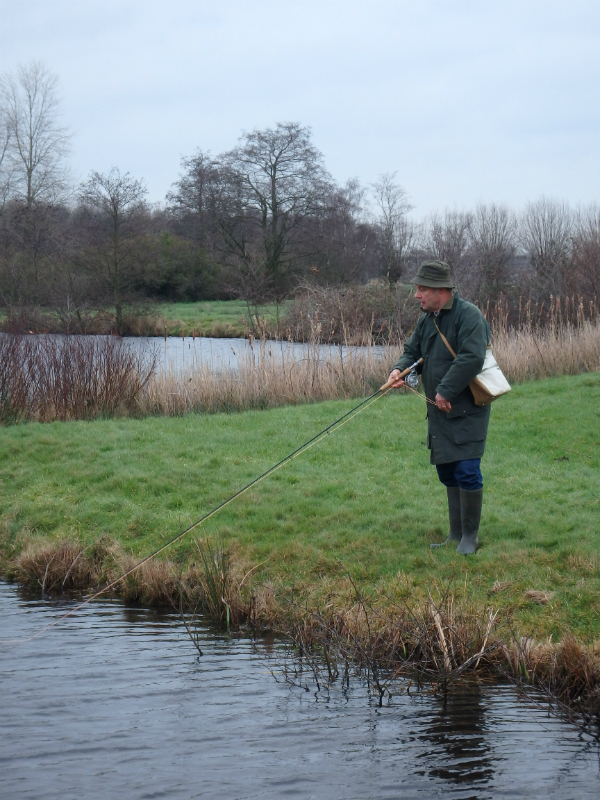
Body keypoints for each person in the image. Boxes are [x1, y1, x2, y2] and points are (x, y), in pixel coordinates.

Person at [388, 260, 491, 554]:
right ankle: (455, 535)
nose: (417, 295)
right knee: (446, 471)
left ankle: (470, 538)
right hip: (439, 411)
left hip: (468, 409)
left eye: (421, 289)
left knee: (467, 469)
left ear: (440, 290)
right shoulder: (427, 319)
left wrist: (446, 389)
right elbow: (412, 352)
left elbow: (472, 358)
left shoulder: (469, 316)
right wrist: (399, 370)